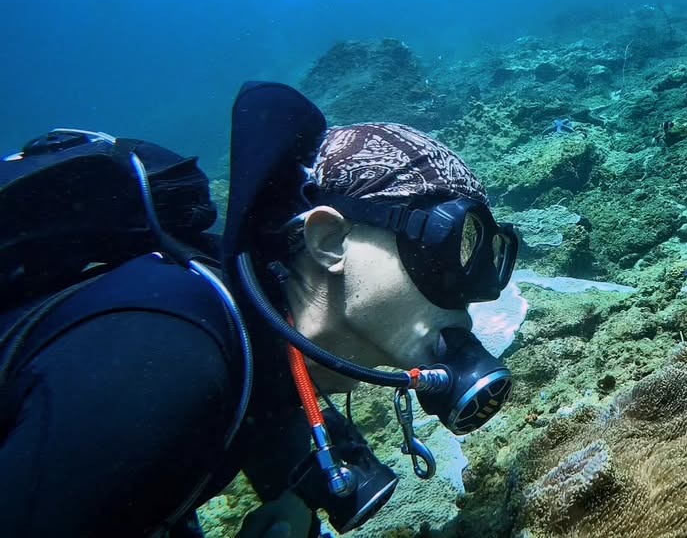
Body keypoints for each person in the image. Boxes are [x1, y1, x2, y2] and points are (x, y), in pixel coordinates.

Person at [0, 81, 518, 537]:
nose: (467, 298)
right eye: (445, 253)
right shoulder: (169, 361)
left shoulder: (258, 368)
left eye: (483, 260)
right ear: (328, 239)